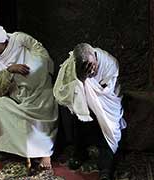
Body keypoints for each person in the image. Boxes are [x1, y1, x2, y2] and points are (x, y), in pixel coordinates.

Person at [0, 24, 58, 169]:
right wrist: (10, 70)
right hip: (16, 95)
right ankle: (24, 150)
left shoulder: (19, 39)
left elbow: (41, 53)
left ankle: (45, 152)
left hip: (38, 89)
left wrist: (32, 69)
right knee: (0, 103)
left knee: (46, 103)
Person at [53, 43, 126, 180]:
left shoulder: (110, 62)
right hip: (83, 102)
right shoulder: (71, 66)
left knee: (108, 128)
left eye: (92, 65)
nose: (91, 69)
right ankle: (80, 153)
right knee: (79, 119)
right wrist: (81, 77)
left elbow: (105, 90)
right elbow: (64, 90)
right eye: (86, 66)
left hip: (107, 103)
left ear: (95, 57)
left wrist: (90, 90)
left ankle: (106, 167)